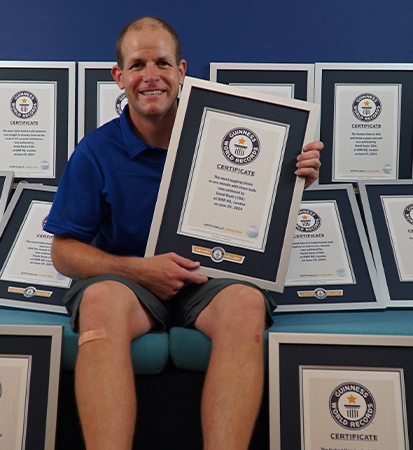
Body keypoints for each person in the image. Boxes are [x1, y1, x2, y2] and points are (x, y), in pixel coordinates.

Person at [44, 16, 323, 450]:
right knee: (99, 302)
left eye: (162, 63)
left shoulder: (231, 134)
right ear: (118, 77)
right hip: (129, 286)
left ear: (182, 71)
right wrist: (139, 271)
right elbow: (63, 253)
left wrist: (294, 175)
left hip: (212, 280)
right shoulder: (95, 150)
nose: (150, 76)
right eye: (137, 65)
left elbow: (262, 209)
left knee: (247, 303)